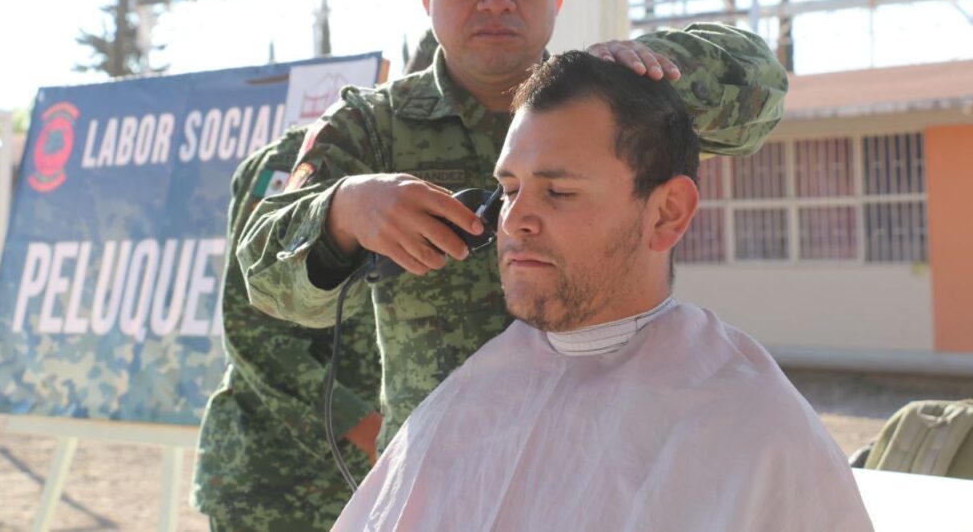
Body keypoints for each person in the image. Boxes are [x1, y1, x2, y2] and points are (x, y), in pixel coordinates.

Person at [237, 0, 788, 455]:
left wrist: (656, 66)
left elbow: (763, 90)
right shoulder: (372, 126)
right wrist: (346, 211)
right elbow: (265, 276)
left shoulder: (609, 108)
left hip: (604, 457)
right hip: (443, 474)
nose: (495, 0)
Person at [331, 52, 873, 532]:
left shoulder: (748, 427)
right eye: (509, 189)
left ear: (667, 214)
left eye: (559, 192)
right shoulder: (467, 400)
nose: (514, 221)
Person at [191, 125, 382, 531]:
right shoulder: (302, 161)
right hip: (282, 486)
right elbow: (253, 329)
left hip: (367, 483)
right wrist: (368, 429)